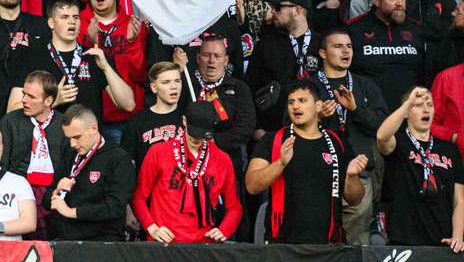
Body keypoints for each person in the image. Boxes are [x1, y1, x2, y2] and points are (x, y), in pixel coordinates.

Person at [247, 79, 368, 243]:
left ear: (318, 106)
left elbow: (355, 199)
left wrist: (351, 177)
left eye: (302, 101)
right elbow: (252, 186)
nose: (295, 106)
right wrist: (280, 163)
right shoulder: (273, 140)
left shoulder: (337, 143)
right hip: (283, 244)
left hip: (329, 244)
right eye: (291, 102)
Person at [131, 104, 241, 243]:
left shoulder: (222, 160)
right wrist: (152, 228)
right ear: (184, 121)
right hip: (164, 243)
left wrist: (223, 230)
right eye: (193, 133)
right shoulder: (158, 152)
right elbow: (138, 196)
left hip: (203, 243)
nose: (196, 139)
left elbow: (234, 207)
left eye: (202, 135)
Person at [376, 86, 464, 248]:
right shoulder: (399, 142)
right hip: (404, 241)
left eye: (430, 105)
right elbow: (382, 136)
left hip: (442, 241)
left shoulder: (450, 149)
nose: (426, 109)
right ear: (406, 112)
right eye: (418, 105)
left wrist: (457, 236)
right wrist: (408, 103)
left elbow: (459, 200)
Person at [47, 103, 136, 240]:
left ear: (94, 129)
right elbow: (47, 199)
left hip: (101, 242)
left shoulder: (118, 158)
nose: (72, 144)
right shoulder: (70, 154)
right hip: (66, 240)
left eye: (77, 137)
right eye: (69, 138)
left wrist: (72, 212)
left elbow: (115, 207)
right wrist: (56, 191)